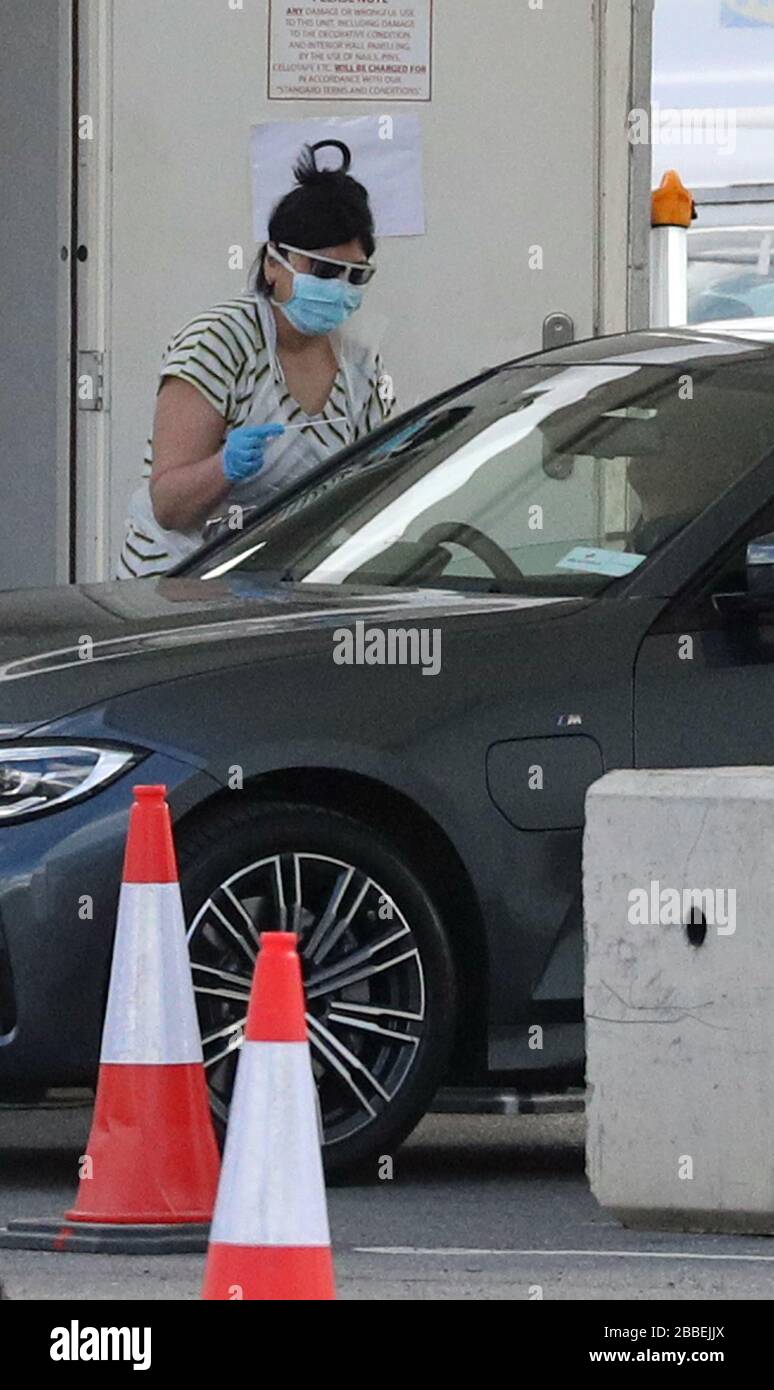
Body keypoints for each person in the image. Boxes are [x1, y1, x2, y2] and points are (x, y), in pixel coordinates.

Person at [118, 141, 394, 577]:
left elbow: (369, 487)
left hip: (290, 575)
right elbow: (169, 506)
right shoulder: (218, 343)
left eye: (355, 275)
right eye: (323, 271)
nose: (340, 288)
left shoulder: (358, 362)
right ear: (273, 264)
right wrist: (222, 468)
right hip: (180, 579)